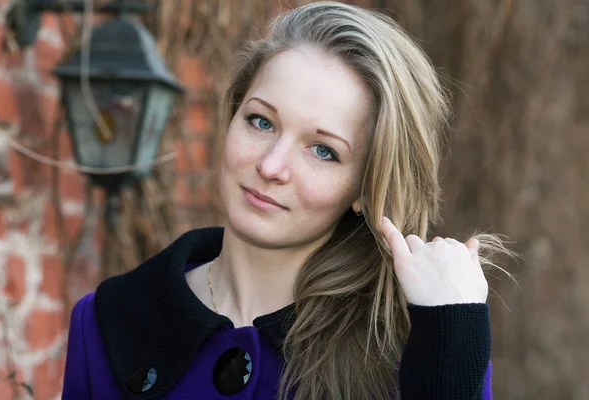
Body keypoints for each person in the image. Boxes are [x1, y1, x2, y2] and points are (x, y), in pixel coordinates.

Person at [63, 2, 506, 399]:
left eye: (323, 150)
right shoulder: (109, 322)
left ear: (363, 189)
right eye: (261, 121)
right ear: (232, 116)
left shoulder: (419, 347)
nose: (272, 166)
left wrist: (452, 332)